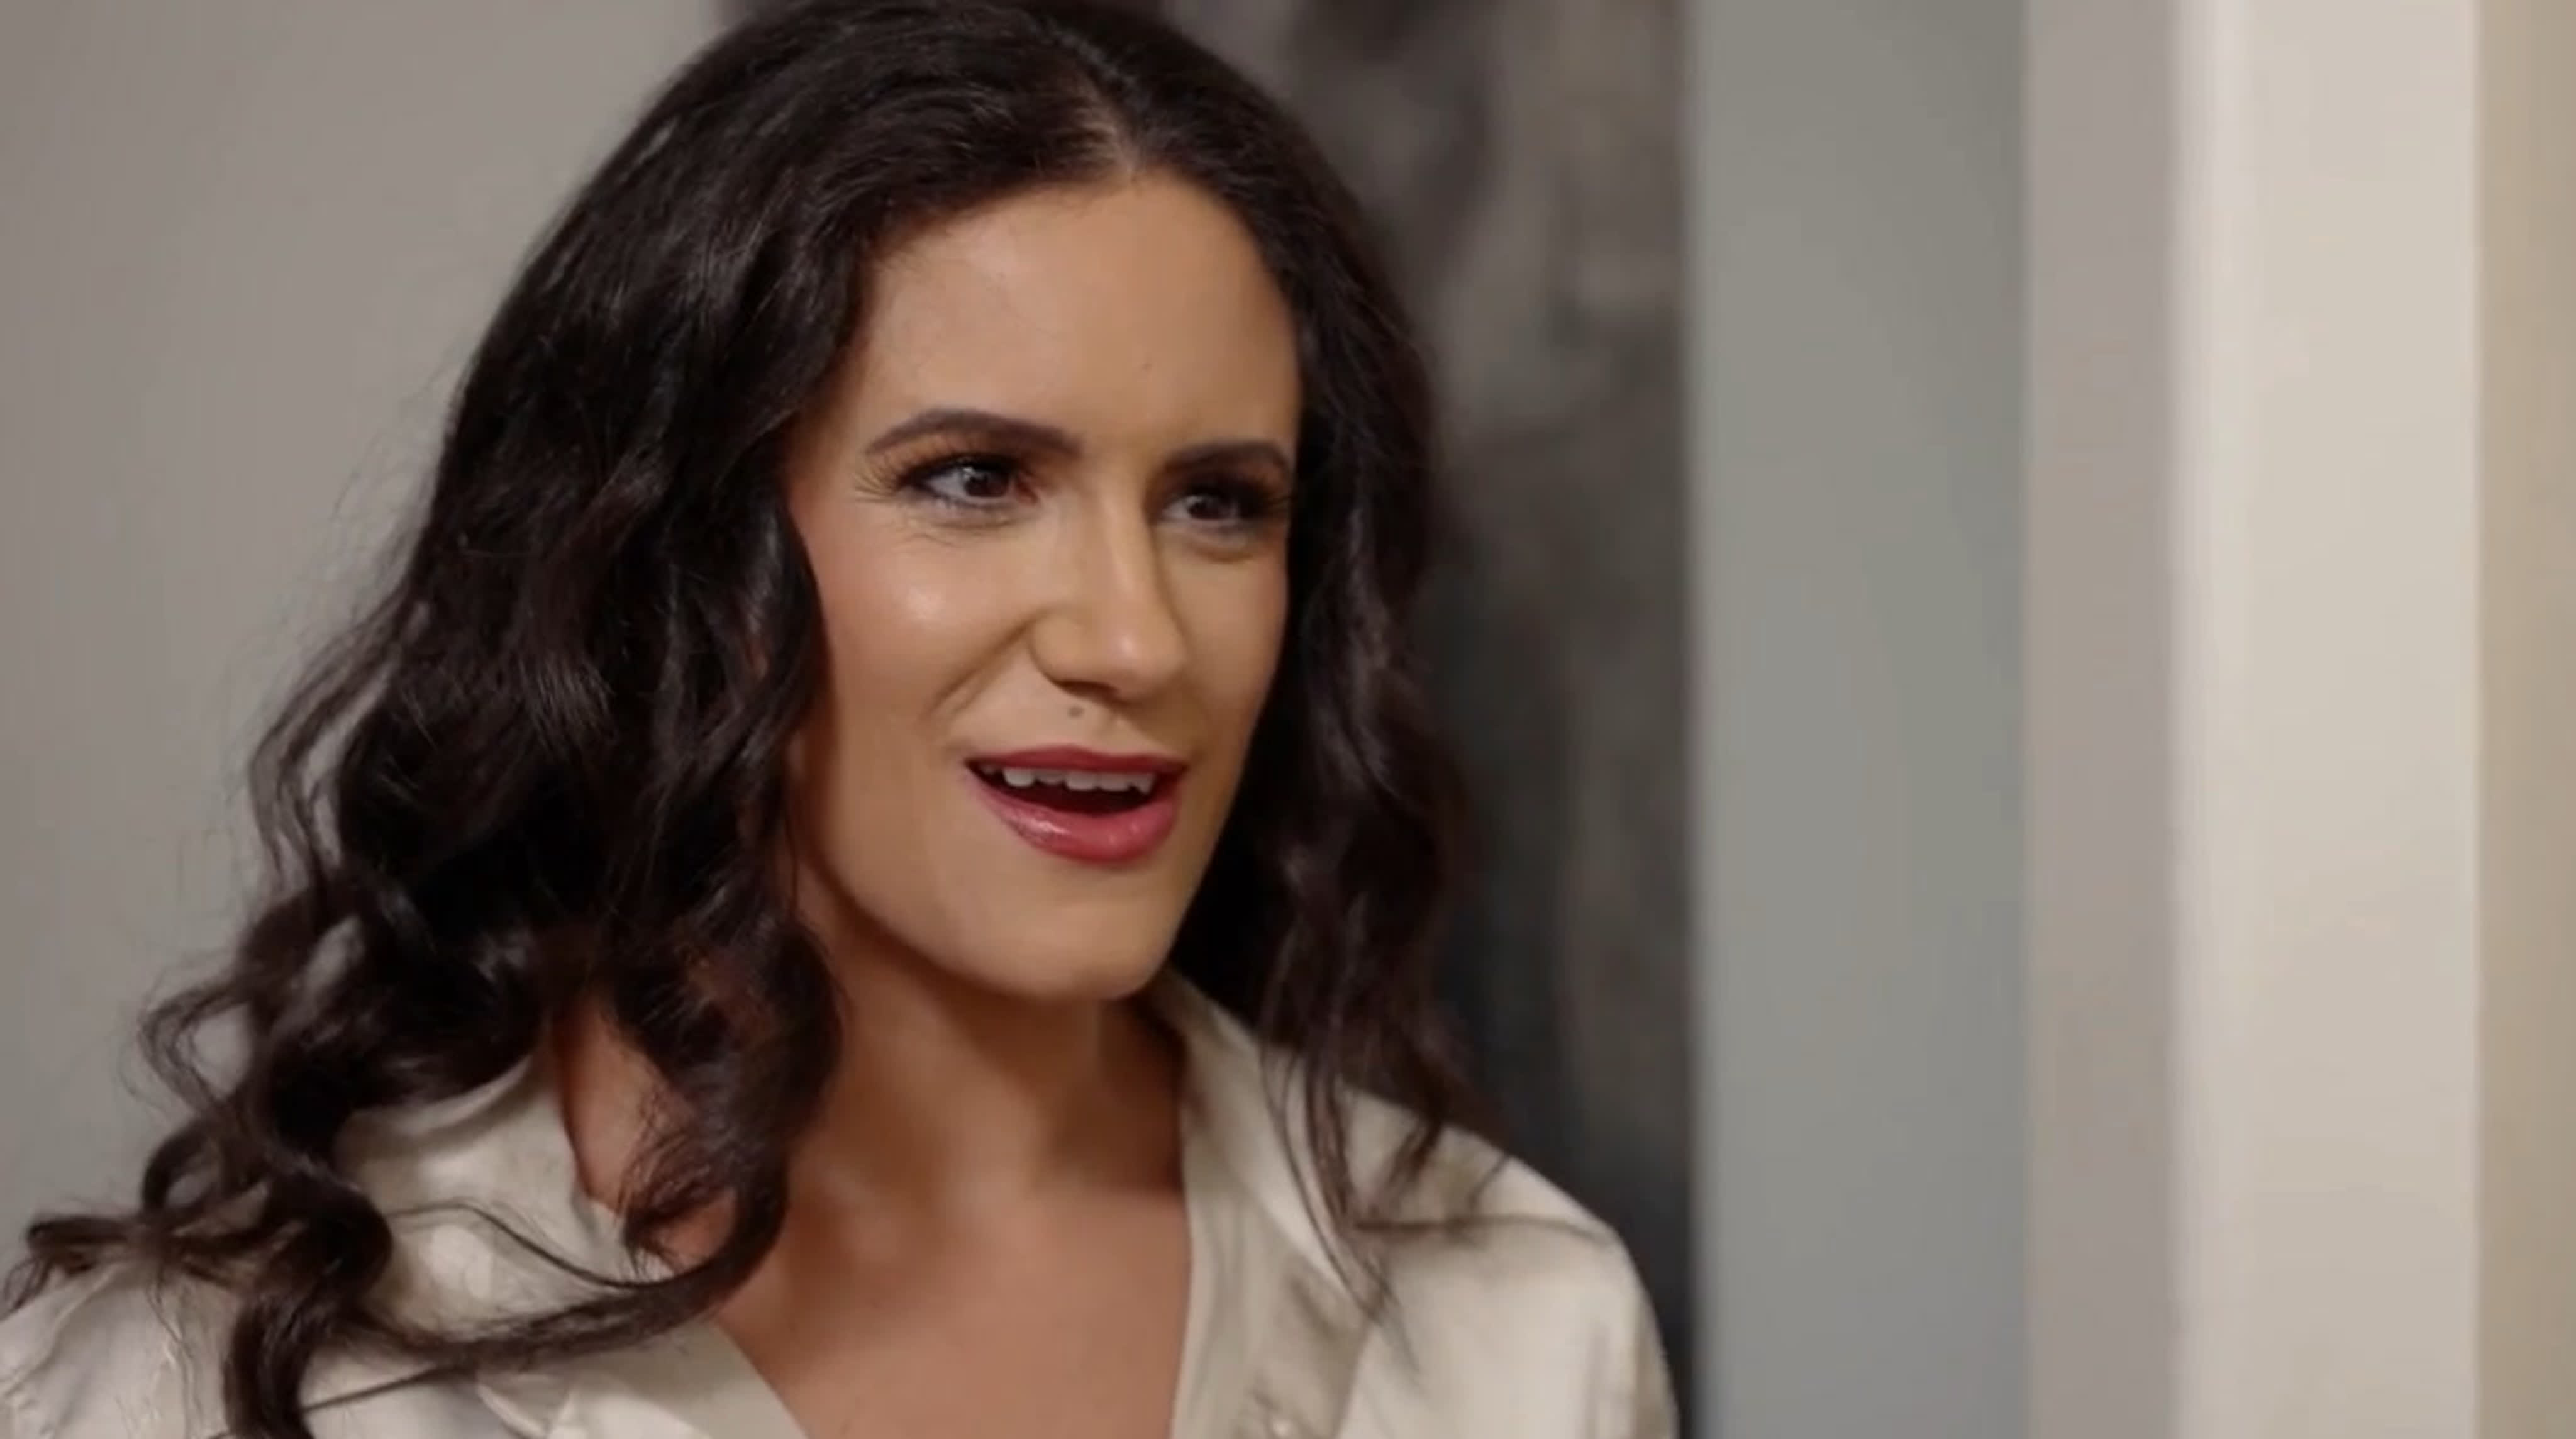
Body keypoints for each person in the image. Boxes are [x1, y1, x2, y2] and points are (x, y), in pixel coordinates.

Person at [0, 3, 1675, 1436]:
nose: (1134, 636)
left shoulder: (1516, 1331)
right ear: (677, 550)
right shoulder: (215, 1378)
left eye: (1218, 504)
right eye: (975, 479)